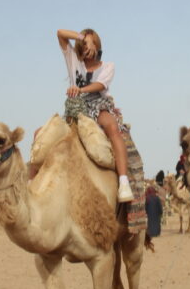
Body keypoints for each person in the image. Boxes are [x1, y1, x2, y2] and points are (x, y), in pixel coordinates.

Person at [57, 27, 134, 202]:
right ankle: (33, 184)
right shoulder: (73, 60)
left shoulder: (108, 66)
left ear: (98, 45)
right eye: (84, 44)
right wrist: (82, 37)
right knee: (42, 134)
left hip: (97, 104)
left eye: (91, 43)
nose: (87, 47)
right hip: (76, 107)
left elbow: (99, 85)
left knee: (112, 127)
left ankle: (123, 182)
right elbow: (60, 33)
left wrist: (80, 89)